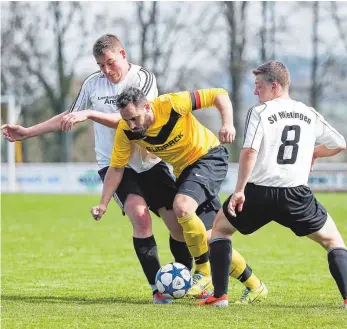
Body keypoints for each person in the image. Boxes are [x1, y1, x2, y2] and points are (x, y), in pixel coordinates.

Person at [1, 34, 192, 304]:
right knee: (140, 217)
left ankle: (186, 279)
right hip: (115, 166)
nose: (106, 70)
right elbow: (69, 116)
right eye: (101, 65)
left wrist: (90, 114)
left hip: (151, 162)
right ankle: (158, 289)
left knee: (178, 228)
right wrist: (28, 132)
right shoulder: (92, 84)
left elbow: (130, 120)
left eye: (110, 63)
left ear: (123, 55)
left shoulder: (143, 78)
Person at [90, 86, 268, 302]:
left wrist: (228, 123)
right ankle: (255, 285)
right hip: (185, 172)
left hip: (209, 158)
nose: (132, 125)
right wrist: (104, 203)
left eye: (135, 118)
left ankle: (202, 274)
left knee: (182, 207)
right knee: (211, 237)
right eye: (127, 120)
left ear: (147, 106)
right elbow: (116, 168)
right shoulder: (126, 131)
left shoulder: (171, 104)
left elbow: (218, 94)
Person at [200, 60, 347, 308]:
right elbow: (340, 144)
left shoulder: (260, 112)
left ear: (275, 86)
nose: (256, 92)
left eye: (259, 86)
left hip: (258, 192)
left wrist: (239, 190)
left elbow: (249, 151)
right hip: (296, 195)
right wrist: (314, 153)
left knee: (220, 231)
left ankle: (219, 296)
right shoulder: (308, 113)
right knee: (333, 242)